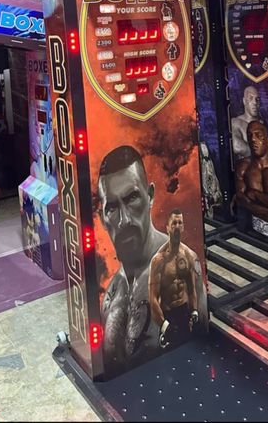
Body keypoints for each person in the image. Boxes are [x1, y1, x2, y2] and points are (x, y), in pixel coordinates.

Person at [98, 145, 167, 374]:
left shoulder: (179, 267)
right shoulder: (113, 291)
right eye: (112, 208)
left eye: (132, 198)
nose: (124, 220)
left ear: (150, 196)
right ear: (102, 218)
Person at [148, 209, 200, 349]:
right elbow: (153, 298)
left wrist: (194, 310)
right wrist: (164, 324)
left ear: (183, 227)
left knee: (188, 350)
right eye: (174, 223)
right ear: (168, 228)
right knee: (169, 355)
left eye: (180, 223)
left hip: (184, 311)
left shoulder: (188, 255)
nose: (177, 226)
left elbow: (191, 289)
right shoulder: (158, 260)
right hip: (168, 314)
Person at [231, 85, 263, 159]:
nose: (254, 102)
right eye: (250, 98)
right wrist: (262, 153)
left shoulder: (263, 123)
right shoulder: (236, 122)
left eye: (257, 99)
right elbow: (237, 146)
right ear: (244, 101)